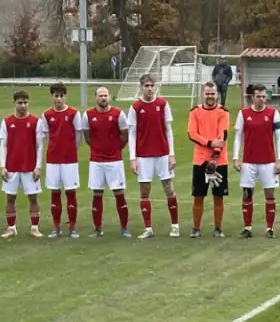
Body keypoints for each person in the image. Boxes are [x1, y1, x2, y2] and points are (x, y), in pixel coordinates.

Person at [128, 74, 180, 239]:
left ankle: (175, 225)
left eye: (152, 85)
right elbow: (132, 134)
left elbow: (168, 130)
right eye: (146, 85)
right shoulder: (135, 107)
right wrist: (132, 158)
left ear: (155, 86)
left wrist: (171, 155)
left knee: (169, 189)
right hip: (144, 156)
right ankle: (148, 228)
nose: (149, 88)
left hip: (163, 154)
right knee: (144, 191)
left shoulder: (163, 104)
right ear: (141, 87)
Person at [232, 83, 280, 238]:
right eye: (258, 96)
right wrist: (236, 158)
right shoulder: (243, 114)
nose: (261, 99)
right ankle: (247, 227)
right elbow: (238, 137)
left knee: (269, 194)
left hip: (268, 161)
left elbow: (279, 137)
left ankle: (270, 228)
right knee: (247, 193)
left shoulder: (273, 113)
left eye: (263, 96)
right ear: (252, 97)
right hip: (249, 161)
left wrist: (279, 159)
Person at [83, 86, 131, 238]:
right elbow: (87, 136)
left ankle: (124, 228)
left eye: (105, 96)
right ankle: (97, 229)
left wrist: (116, 149)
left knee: (119, 192)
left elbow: (125, 136)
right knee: (97, 193)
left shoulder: (118, 114)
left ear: (109, 97)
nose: (103, 98)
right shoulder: (88, 115)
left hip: (114, 160)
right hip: (96, 160)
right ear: (95, 97)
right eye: (100, 96)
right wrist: (98, 149)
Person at [39, 82, 83, 238]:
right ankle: (56, 227)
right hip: (53, 160)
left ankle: (72, 227)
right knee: (55, 192)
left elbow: (78, 136)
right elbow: (46, 136)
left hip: (69, 160)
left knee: (71, 192)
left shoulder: (73, 114)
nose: (59, 99)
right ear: (52, 97)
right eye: (56, 96)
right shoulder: (46, 115)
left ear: (65, 97)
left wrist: (71, 150)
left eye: (61, 96)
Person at [0, 90, 44, 238]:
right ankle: (11, 227)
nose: (23, 105)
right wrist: (2, 166)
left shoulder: (36, 122)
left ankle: (35, 227)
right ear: (14, 103)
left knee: (33, 197)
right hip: (11, 167)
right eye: (20, 102)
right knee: (10, 198)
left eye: (25, 102)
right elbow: (3, 145)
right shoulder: (7, 122)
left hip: (29, 167)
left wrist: (38, 166)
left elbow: (40, 146)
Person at [188, 82, 231, 238]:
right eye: (207, 93)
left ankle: (218, 228)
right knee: (198, 195)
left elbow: (223, 135)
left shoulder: (223, 112)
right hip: (200, 161)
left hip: (219, 162)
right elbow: (192, 134)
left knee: (218, 196)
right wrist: (209, 143)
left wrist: (214, 157)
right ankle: (196, 228)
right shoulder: (195, 112)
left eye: (212, 93)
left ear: (217, 94)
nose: (210, 96)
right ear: (202, 94)